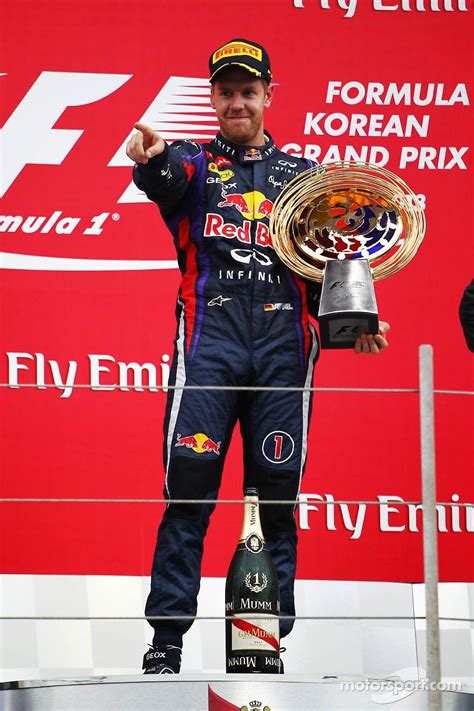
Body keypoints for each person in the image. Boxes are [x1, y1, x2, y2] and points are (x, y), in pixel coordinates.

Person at [126, 38, 390, 674]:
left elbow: (333, 264)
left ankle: (262, 641)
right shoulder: (191, 165)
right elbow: (160, 177)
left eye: (249, 91)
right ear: (212, 98)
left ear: (269, 96)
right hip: (209, 346)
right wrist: (150, 157)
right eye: (227, 91)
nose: (238, 101)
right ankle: (166, 644)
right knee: (189, 493)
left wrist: (353, 324)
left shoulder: (305, 178)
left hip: (282, 351)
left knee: (276, 496)